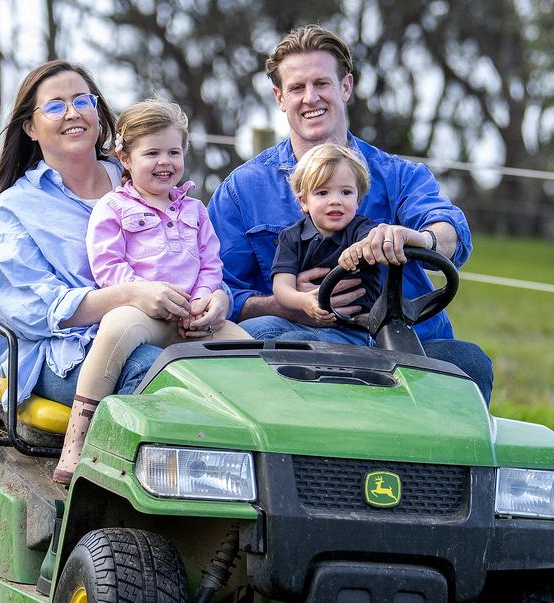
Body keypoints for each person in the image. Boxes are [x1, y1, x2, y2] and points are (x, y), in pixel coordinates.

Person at [208, 25, 493, 404]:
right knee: (262, 334)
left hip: (407, 341)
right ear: (279, 97)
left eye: (322, 83)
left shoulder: (397, 175)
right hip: (300, 342)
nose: (311, 98)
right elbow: (221, 288)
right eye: (297, 88)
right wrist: (292, 304)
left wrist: (417, 239)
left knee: (469, 363)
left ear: (345, 86)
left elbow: (449, 229)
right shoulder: (242, 191)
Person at [0, 61, 229, 476]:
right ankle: (172, 501)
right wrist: (132, 295)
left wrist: (215, 298)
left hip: (169, 322)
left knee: (262, 346)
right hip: (67, 351)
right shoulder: (17, 208)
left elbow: (199, 256)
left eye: (82, 100)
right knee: (164, 376)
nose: (73, 112)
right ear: (29, 127)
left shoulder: (143, 175)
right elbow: (27, 309)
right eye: (55, 106)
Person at [55, 100, 249, 482]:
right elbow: (108, 265)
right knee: (114, 330)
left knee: (248, 351)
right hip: (142, 313)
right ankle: (77, 439)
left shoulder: (195, 210)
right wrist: (141, 293)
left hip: (190, 317)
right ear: (125, 157)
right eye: (153, 152)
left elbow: (211, 263)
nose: (165, 161)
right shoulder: (113, 207)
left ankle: (245, 445)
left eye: (173, 152)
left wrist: (207, 299)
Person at [271, 142, 433, 346]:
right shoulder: (290, 237)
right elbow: (281, 288)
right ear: (304, 201)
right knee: (255, 330)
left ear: (358, 200)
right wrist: (303, 302)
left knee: (291, 343)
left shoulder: (361, 229)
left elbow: (373, 239)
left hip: (354, 328)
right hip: (301, 321)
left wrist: (360, 248)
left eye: (346, 192)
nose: (335, 201)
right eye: (322, 193)